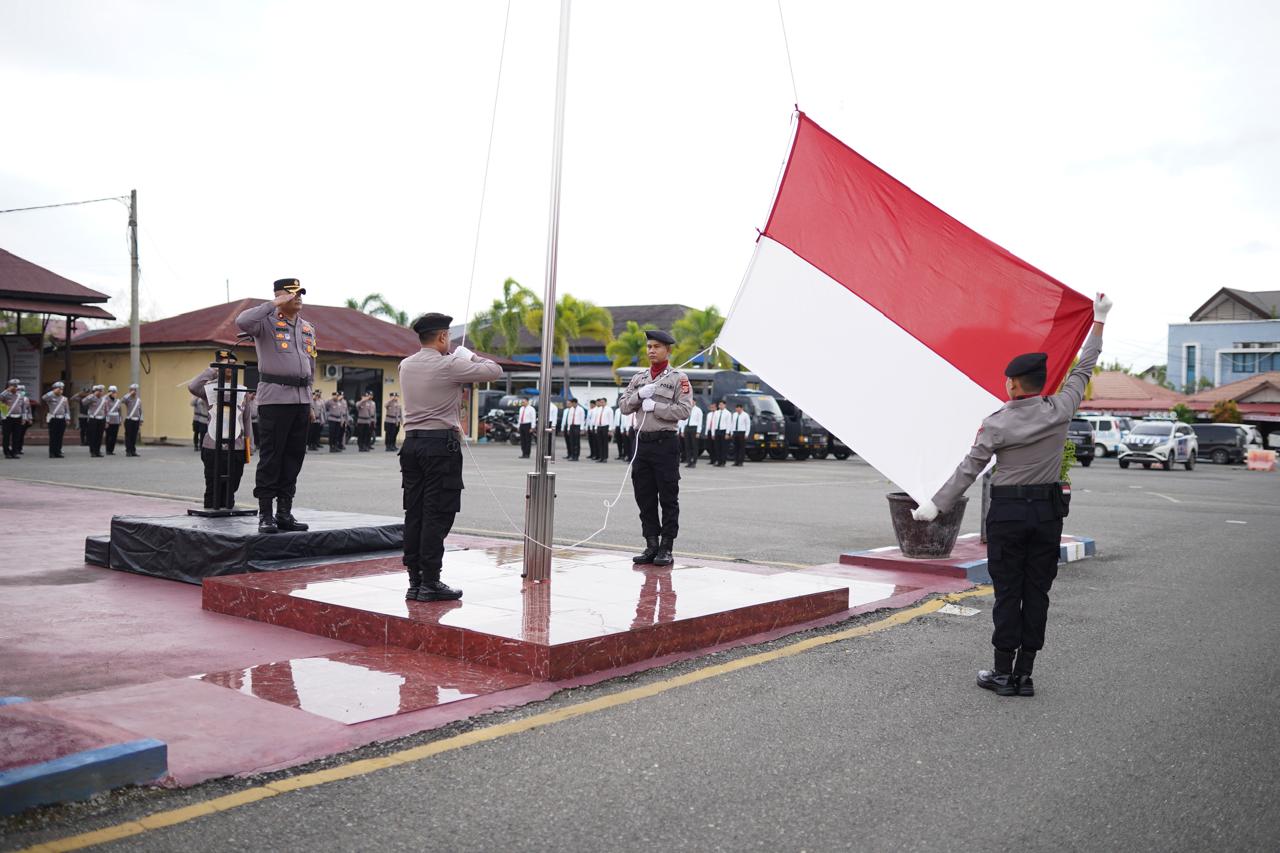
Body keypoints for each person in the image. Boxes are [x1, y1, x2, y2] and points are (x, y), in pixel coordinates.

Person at [913, 294, 1113, 698]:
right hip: (1047, 514)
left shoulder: (996, 424)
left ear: (1014, 384)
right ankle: (1025, 675)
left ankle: (1002, 673)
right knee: (1037, 592)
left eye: (1007, 380)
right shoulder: (1061, 408)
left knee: (1008, 593)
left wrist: (935, 505)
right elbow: (1085, 366)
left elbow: (969, 469)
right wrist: (1099, 320)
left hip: (1008, 515)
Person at [398, 312, 502, 601]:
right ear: (443, 336)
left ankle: (415, 580)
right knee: (437, 514)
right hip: (439, 448)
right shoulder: (449, 364)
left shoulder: (405, 364)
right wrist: (471, 357)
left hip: (412, 445)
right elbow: (494, 370)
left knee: (415, 513)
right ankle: (430, 581)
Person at [234, 278, 317, 534]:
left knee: (294, 458)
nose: (298, 297)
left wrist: (310, 402)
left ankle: (284, 512)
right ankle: (266, 514)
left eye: (300, 293)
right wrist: (273, 303)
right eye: (292, 293)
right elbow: (241, 321)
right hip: (275, 399)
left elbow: (311, 366)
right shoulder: (265, 323)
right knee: (272, 457)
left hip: (301, 400)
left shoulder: (307, 328)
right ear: (280, 296)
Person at [617, 329, 693, 566]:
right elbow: (624, 407)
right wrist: (639, 396)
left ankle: (666, 547)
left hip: (665, 443)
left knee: (668, 497)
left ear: (667, 350)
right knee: (644, 496)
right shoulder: (638, 378)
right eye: (649, 346)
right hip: (642, 443)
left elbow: (684, 410)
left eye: (657, 347)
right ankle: (651, 544)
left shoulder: (679, 378)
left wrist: (656, 407)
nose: (651, 350)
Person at [188, 349, 253, 509]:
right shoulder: (210, 389)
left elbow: (246, 420)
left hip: (236, 447)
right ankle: (211, 519)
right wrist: (213, 370)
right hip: (213, 445)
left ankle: (227, 516)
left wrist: (249, 445)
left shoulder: (242, 391)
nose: (229, 367)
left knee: (232, 488)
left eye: (232, 364)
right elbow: (193, 386)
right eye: (225, 364)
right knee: (213, 488)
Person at [42, 381, 71, 458]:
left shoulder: (64, 399)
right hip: (53, 419)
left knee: (59, 436)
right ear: (54, 389)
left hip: (62, 419)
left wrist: (67, 419)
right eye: (59, 389)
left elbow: (67, 410)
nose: (60, 390)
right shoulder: (51, 397)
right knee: (53, 437)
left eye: (62, 389)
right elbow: (44, 397)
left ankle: (58, 452)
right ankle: (52, 452)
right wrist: (52, 392)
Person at [3, 384, 33, 457]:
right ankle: (7, 452)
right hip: (8, 417)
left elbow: (24, 409)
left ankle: (15, 452)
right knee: (6, 436)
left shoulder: (21, 397)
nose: (20, 391)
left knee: (16, 436)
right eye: (19, 389)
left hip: (18, 418)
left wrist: (24, 418)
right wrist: (6, 390)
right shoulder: (6, 396)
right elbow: (1, 399)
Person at [85, 385, 107, 457]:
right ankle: (93, 451)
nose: (101, 392)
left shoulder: (104, 399)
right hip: (93, 419)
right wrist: (93, 395)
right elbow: (83, 402)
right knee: (93, 436)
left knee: (99, 436)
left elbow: (106, 410)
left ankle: (98, 451)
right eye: (100, 391)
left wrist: (106, 420)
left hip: (101, 419)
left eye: (102, 391)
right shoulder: (92, 398)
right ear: (97, 391)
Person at [122, 383, 144, 457]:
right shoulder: (128, 399)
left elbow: (140, 410)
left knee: (134, 436)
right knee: (128, 436)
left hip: (136, 420)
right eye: (132, 390)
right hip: (129, 420)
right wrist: (129, 394)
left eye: (135, 390)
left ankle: (133, 451)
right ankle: (128, 451)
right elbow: (122, 400)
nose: (134, 391)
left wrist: (141, 419)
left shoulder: (138, 400)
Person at [682, 398, 703, 468]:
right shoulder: (687, 409)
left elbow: (700, 422)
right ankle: (689, 461)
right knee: (687, 446)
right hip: (687, 428)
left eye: (693, 401)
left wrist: (698, 432)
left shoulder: (698, 410)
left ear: (695, 402)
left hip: (694, 428)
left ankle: (694, 462)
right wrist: (682, 431)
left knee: (694, 446)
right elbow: (684, 420)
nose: (691, 403)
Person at [710, 400, 731, 467]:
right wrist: (713, 433)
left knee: (723, 447)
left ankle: (723, 462)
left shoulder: (728, 413)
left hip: (723, 431)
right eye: (719, 405)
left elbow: (728, 424)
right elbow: (714, 423)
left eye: (722, 405)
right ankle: (718, 461)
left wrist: (727, 433)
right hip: (717, 431)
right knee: (717, 447)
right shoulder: (716, 412)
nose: (720, 406)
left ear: (725, 405)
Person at [103, 386, 123, 455]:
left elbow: (120, 411)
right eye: (113, 392)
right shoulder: (106, 400)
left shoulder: (118, 401)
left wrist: (120, 420)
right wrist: (106, 421)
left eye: (115, 392)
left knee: (114, 436)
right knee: (108, 436)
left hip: (116, 421)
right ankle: (108, 450)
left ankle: (111, 450)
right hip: (108, 421)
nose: (115, 394)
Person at [595, 397, 613, 463]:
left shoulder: (609, 409)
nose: (601, 403)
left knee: (605, 443)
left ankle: (605, 457)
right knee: (599, 443)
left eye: (603, 402)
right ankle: (601, 457)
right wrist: (596, 427)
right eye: (601, 402)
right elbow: (597, 419)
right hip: (599, 426)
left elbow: (611, 419)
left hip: (605, 427)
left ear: (605, 402)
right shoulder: (598, 409)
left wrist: (610, 429)